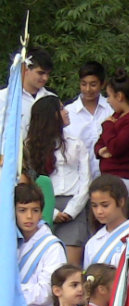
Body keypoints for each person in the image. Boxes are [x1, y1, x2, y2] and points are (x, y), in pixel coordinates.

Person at [24, 96, 91, 266]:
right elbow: (30, 180)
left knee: (69, 267)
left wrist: (71, 211)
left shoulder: (75, 143)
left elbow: (86, 180)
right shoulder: (30, 146)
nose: (66, 111)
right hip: (43, 206)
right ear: (50, 115)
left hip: (73, 207)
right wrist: (52, 212)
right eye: (61, 109)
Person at [85, 174, 129, 293]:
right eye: (94, 206)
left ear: (121, 201)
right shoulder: (92, 242)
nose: (99, 211)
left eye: (105, 205)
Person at [94, 69, 129, 200]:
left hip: (124, 178)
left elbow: (116, 147)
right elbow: (99, 143)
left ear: (119, 96)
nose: (108, 101)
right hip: (109, 177)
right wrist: (101, 150)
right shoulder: (117, 116)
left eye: (109, 96)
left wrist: (108, 126)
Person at [64, 61, 114, 178]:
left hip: (108, 176)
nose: (87, 89)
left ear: (102, 84)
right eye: (83, 84)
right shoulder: (69, 112)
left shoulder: (111, 108)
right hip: (78, 179)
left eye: (93, 84)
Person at [0, 47, 54, 143]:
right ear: (25, 69)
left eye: (48, 74)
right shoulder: (4, 97)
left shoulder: (51, 98)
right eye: (40, 73)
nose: (45, 78)